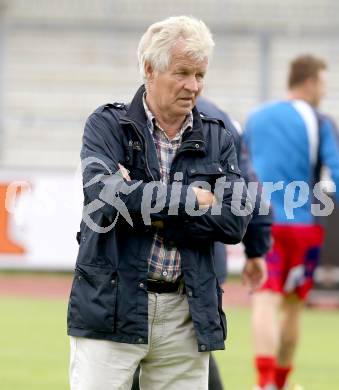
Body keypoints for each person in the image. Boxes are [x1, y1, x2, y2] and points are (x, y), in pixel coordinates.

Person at [67, 16, 254, 390]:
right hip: (111, 305)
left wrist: (146, 207)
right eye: (183, 72)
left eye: (200, 74)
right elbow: (106, 200)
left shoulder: (219, 137)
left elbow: (234, 223)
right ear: (150, 69)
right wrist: (194, 199)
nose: (193, 86)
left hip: (187, 312)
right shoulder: (107, 125)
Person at [131, 97, 271, 390]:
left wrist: (159, 218)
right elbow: (251, 189)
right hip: (203, 254)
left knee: (138, 355)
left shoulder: (135, 117)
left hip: (141, 258)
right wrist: (256, 249)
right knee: (192, 353)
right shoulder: (220, 118)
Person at [243, 54, 339, 390]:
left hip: (262, 223)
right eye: (324, 84)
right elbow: (336, 171)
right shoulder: (319, 120)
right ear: (311, 81)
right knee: (294, 308)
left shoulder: (256, 117)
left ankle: (263, 381)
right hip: (303, 226)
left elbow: (242, 166)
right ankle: (280, 383)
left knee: (264, 301)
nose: (324, 92)